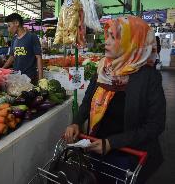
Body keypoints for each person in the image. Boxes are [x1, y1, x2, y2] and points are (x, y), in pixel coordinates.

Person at [64, 16, 165, 183]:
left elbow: (155, 125)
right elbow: (88, 100)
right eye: (107, 36)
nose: (106, 42)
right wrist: (76, 122)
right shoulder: (104, 68)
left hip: (128, 155)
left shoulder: (149, 77)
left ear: (132, 42)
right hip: (96, 147)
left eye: (114, 37)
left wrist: (112, 143)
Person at [3, 13, 43, 84]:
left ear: (16, 23)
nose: (8, 29)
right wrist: (1, 69)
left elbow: (39, 58)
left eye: (9, 26)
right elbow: (12, 57)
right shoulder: (14, 39)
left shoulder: (32, 37)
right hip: (16, 77)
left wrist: (41, 80)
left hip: (29, 78)